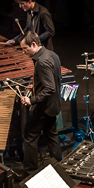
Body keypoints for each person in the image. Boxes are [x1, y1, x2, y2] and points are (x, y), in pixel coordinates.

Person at [17, 31, 62, 177]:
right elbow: (54, 79)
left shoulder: (42, 62)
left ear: (34, 44)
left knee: (29, 137)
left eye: (25, 49)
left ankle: (29, 172)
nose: (24, 52)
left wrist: (32, 100)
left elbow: (50, 87)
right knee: (51, 135)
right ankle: (58, 167)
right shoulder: (51, 54)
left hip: (43, 107)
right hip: (53, 105)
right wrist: (35, 86)